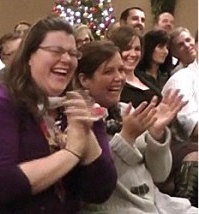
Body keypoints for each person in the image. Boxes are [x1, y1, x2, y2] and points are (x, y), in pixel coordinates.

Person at [0, 16, 117, 213]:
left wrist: (86, 133)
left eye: (73, 53)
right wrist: (71, 153)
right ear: (29, 57)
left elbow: (100, 191)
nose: (67, 59)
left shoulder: (77, 106)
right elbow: (2, 186)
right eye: (56, 51)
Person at [74, 40, 197, 214]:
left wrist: (156, 135)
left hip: (161, 205)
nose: (119, 78)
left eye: (121, 70)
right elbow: (101, 182)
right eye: (108, 71)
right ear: (84, 79)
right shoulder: (79, 121)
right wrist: (127, 137)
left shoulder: (128, 111)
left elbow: (160, 175)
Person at [111, 26, 198, 207]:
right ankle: (185, 200)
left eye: (137, 49)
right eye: (127, 48)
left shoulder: (145, 78)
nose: (132, 54)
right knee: (194, 154)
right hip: (142, 140)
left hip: (167, 136)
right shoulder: (116, 85)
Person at [163, 31, 198, 140]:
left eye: (188, 40)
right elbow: (191, 124)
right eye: (180, 44)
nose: (187, 46)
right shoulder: (180, 79)